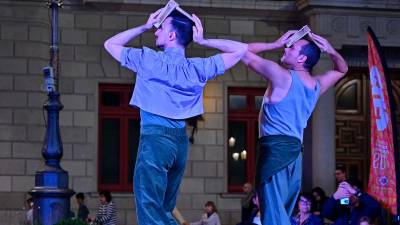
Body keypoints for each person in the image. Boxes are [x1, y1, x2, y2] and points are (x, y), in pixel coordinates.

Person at [104, 7, 246, 225]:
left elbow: (110, 44)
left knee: (150, 208)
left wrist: (142, 26)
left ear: (171, 35)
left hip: (155, 140)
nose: (155, 30)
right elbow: (240, 50)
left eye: (160, 27)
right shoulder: (197, 67)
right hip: (179, 143)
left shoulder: (148, 59)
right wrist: (204, 41)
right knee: (165, 210)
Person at [237, 29, 348, 225]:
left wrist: (274, 44)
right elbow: (341, 69)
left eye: (293, 47)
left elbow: (243, 52)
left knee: (272, 214)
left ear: (302, 58)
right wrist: (331, 50)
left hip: (275, 152)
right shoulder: (316, 84)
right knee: (282, 214)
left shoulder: (282, 76)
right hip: (295, 154)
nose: (288, 46)